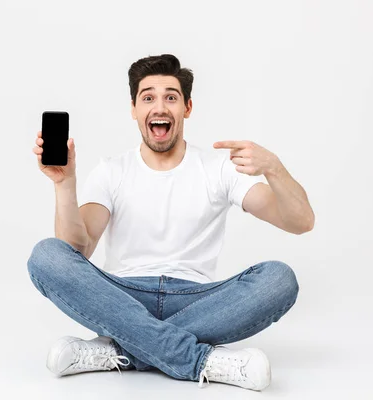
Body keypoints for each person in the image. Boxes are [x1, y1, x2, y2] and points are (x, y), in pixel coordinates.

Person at [28, 54, 315, 391]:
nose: (159, 107)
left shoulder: (218, 168)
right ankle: (201, 361)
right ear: (134, 109)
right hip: (121, 297)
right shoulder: (111, 171)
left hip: (197, 299)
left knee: (279, 279)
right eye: (148, 97)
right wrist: (64, 184)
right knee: (46, 255)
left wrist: (274, 168)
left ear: (187, 108)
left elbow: (301, 222)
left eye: (171, 97)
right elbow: (77, 249)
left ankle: (121, 351)